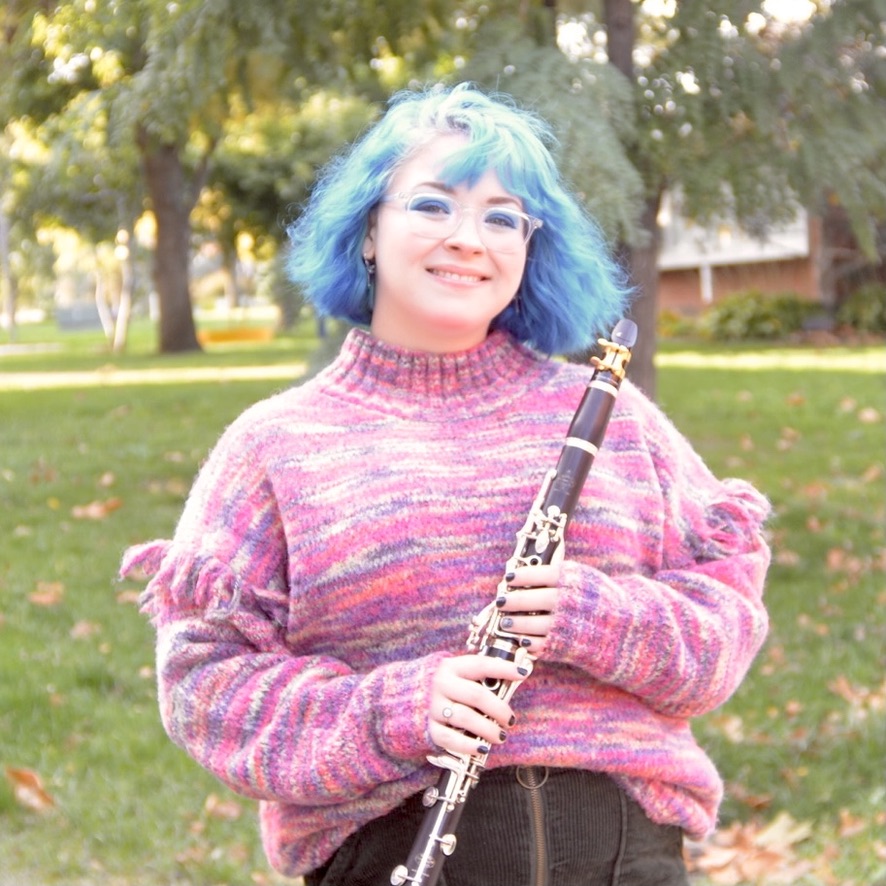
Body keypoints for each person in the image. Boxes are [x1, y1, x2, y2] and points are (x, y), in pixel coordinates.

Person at [121, 83, 771, 886]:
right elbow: (207, 690)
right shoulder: (274, 445)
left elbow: (720, 634)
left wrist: (591, 615)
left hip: (626, 858)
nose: (468, 239)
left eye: (503, 218)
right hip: (393, 853)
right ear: (368, 230)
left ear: (530, 247)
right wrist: (398, 711)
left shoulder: (616, 418)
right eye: (433, 206)